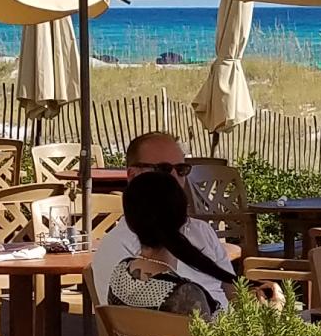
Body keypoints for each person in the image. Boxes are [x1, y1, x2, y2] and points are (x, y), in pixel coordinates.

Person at [88, 131, 237, 316]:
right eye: (163, 169)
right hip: (204, 333)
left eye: (181, 169)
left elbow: (234, 292)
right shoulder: (118, 249)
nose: (174, 177)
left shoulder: (201, 231)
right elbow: (131, 324)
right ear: (133, 175)